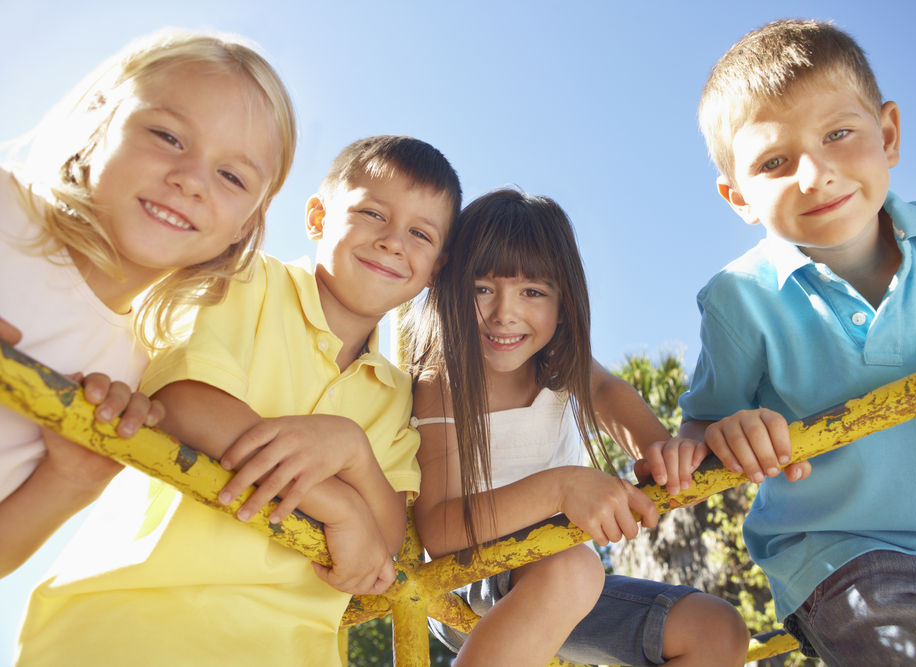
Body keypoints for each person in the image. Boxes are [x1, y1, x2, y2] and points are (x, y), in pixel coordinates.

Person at [15, 135, 461, 667]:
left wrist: (353, 452)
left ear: (437, 267)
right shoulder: (245, 278)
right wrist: (339, 503)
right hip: (134, 624)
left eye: (420, 233)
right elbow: (185, 406)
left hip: (292, 652)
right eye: (371, 213)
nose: (393, 242)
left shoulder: (394, 394)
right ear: (317, 218)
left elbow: (384, 538)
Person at [645, 19, 916, 666]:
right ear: (738, 196)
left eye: (839, 134)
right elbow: (697, 430)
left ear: (888, 134)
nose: (815, 174)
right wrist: (726, 435)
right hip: (845, 559)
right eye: (773, 162)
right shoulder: (740, 297)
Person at [409, 187, 749, 667]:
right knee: (572, 568)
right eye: (481, 288)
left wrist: (658, 448)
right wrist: (561, 489)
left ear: (563, 301)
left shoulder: (561, 364)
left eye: (532, 292)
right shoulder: (441, 383)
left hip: (566, 573)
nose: (504, 312)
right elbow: (440, 531)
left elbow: (608, 393)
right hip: (469, 575)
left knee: (717, 630)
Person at [0, 28, 295, 579]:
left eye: (231, 177)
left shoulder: (133, 377)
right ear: (96, 122)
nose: (190, 181)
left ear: (244, 226)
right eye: (168, 136)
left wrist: (74, 478)